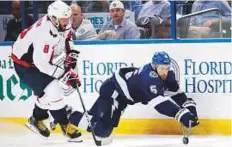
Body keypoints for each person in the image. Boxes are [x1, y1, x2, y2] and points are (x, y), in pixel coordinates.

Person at [68, 51, 199, 142]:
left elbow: (177, 93)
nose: (165, 72)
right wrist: (181, 114)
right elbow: (159, 103)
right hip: (112, 93)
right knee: (102, 132)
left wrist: (189, 107)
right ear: (154, 66)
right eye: (162, 68)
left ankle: (67, 115)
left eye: (167, 68)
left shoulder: (167, 74)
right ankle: (66, 115)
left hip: (120, 98)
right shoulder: (149, 78)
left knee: (98, 124)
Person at [11, 0, 82, 141]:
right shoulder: (43, 32)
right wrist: (65, 76)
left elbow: (67, 37)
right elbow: (41, 63)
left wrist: (72, 53)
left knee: (47, 95)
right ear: (54, 18)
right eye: (64, 19)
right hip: (25, 65)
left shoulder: (60, 23)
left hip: (40, 61)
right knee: (53, 89)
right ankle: (64, 125)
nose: (67, 22)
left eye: (68, 19)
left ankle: (36, 119)